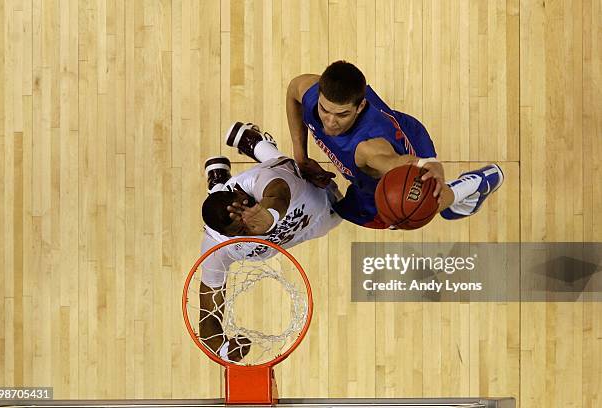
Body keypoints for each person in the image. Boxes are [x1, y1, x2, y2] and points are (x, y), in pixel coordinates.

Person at [282, 60, 504, 229]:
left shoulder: (368, 150)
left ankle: (474, 184)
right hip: (399, 127)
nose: (330, 121)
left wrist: (428, 164)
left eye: (342, 114)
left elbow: (398, 162)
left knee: (408, 211)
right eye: (324, 110)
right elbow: (293, 90)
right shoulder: (311, 92)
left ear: (360, 107)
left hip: (402, 150)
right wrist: (300, 156)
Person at [198, 124, 342, 362]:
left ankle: (255, 145)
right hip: (306, 229)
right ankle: (217, 184)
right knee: (219, 203)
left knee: (285, 165)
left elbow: (278, 192)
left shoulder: (263, 180)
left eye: (246, 206)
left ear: (242, 194)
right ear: (228, 235)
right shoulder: (217, 247)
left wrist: (270, 216)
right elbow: (207, 314)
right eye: (241, 230)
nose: (248, 223)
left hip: (305, 194)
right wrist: (224, 349)